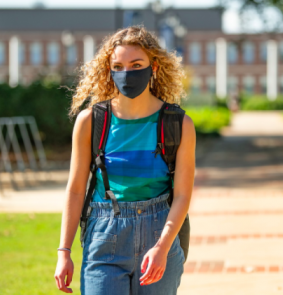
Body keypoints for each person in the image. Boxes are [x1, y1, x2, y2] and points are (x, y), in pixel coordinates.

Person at [54, 26, 195, 295]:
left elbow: (182, 196)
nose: (126, 73)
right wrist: (64, 251)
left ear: (153, 67)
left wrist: (163, 247)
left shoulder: (178, 123)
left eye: (136, 64)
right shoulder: (91, 121)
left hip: (159, 234)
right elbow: (74, 190)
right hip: (104, 238)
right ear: (108, 69)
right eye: (118, 65)